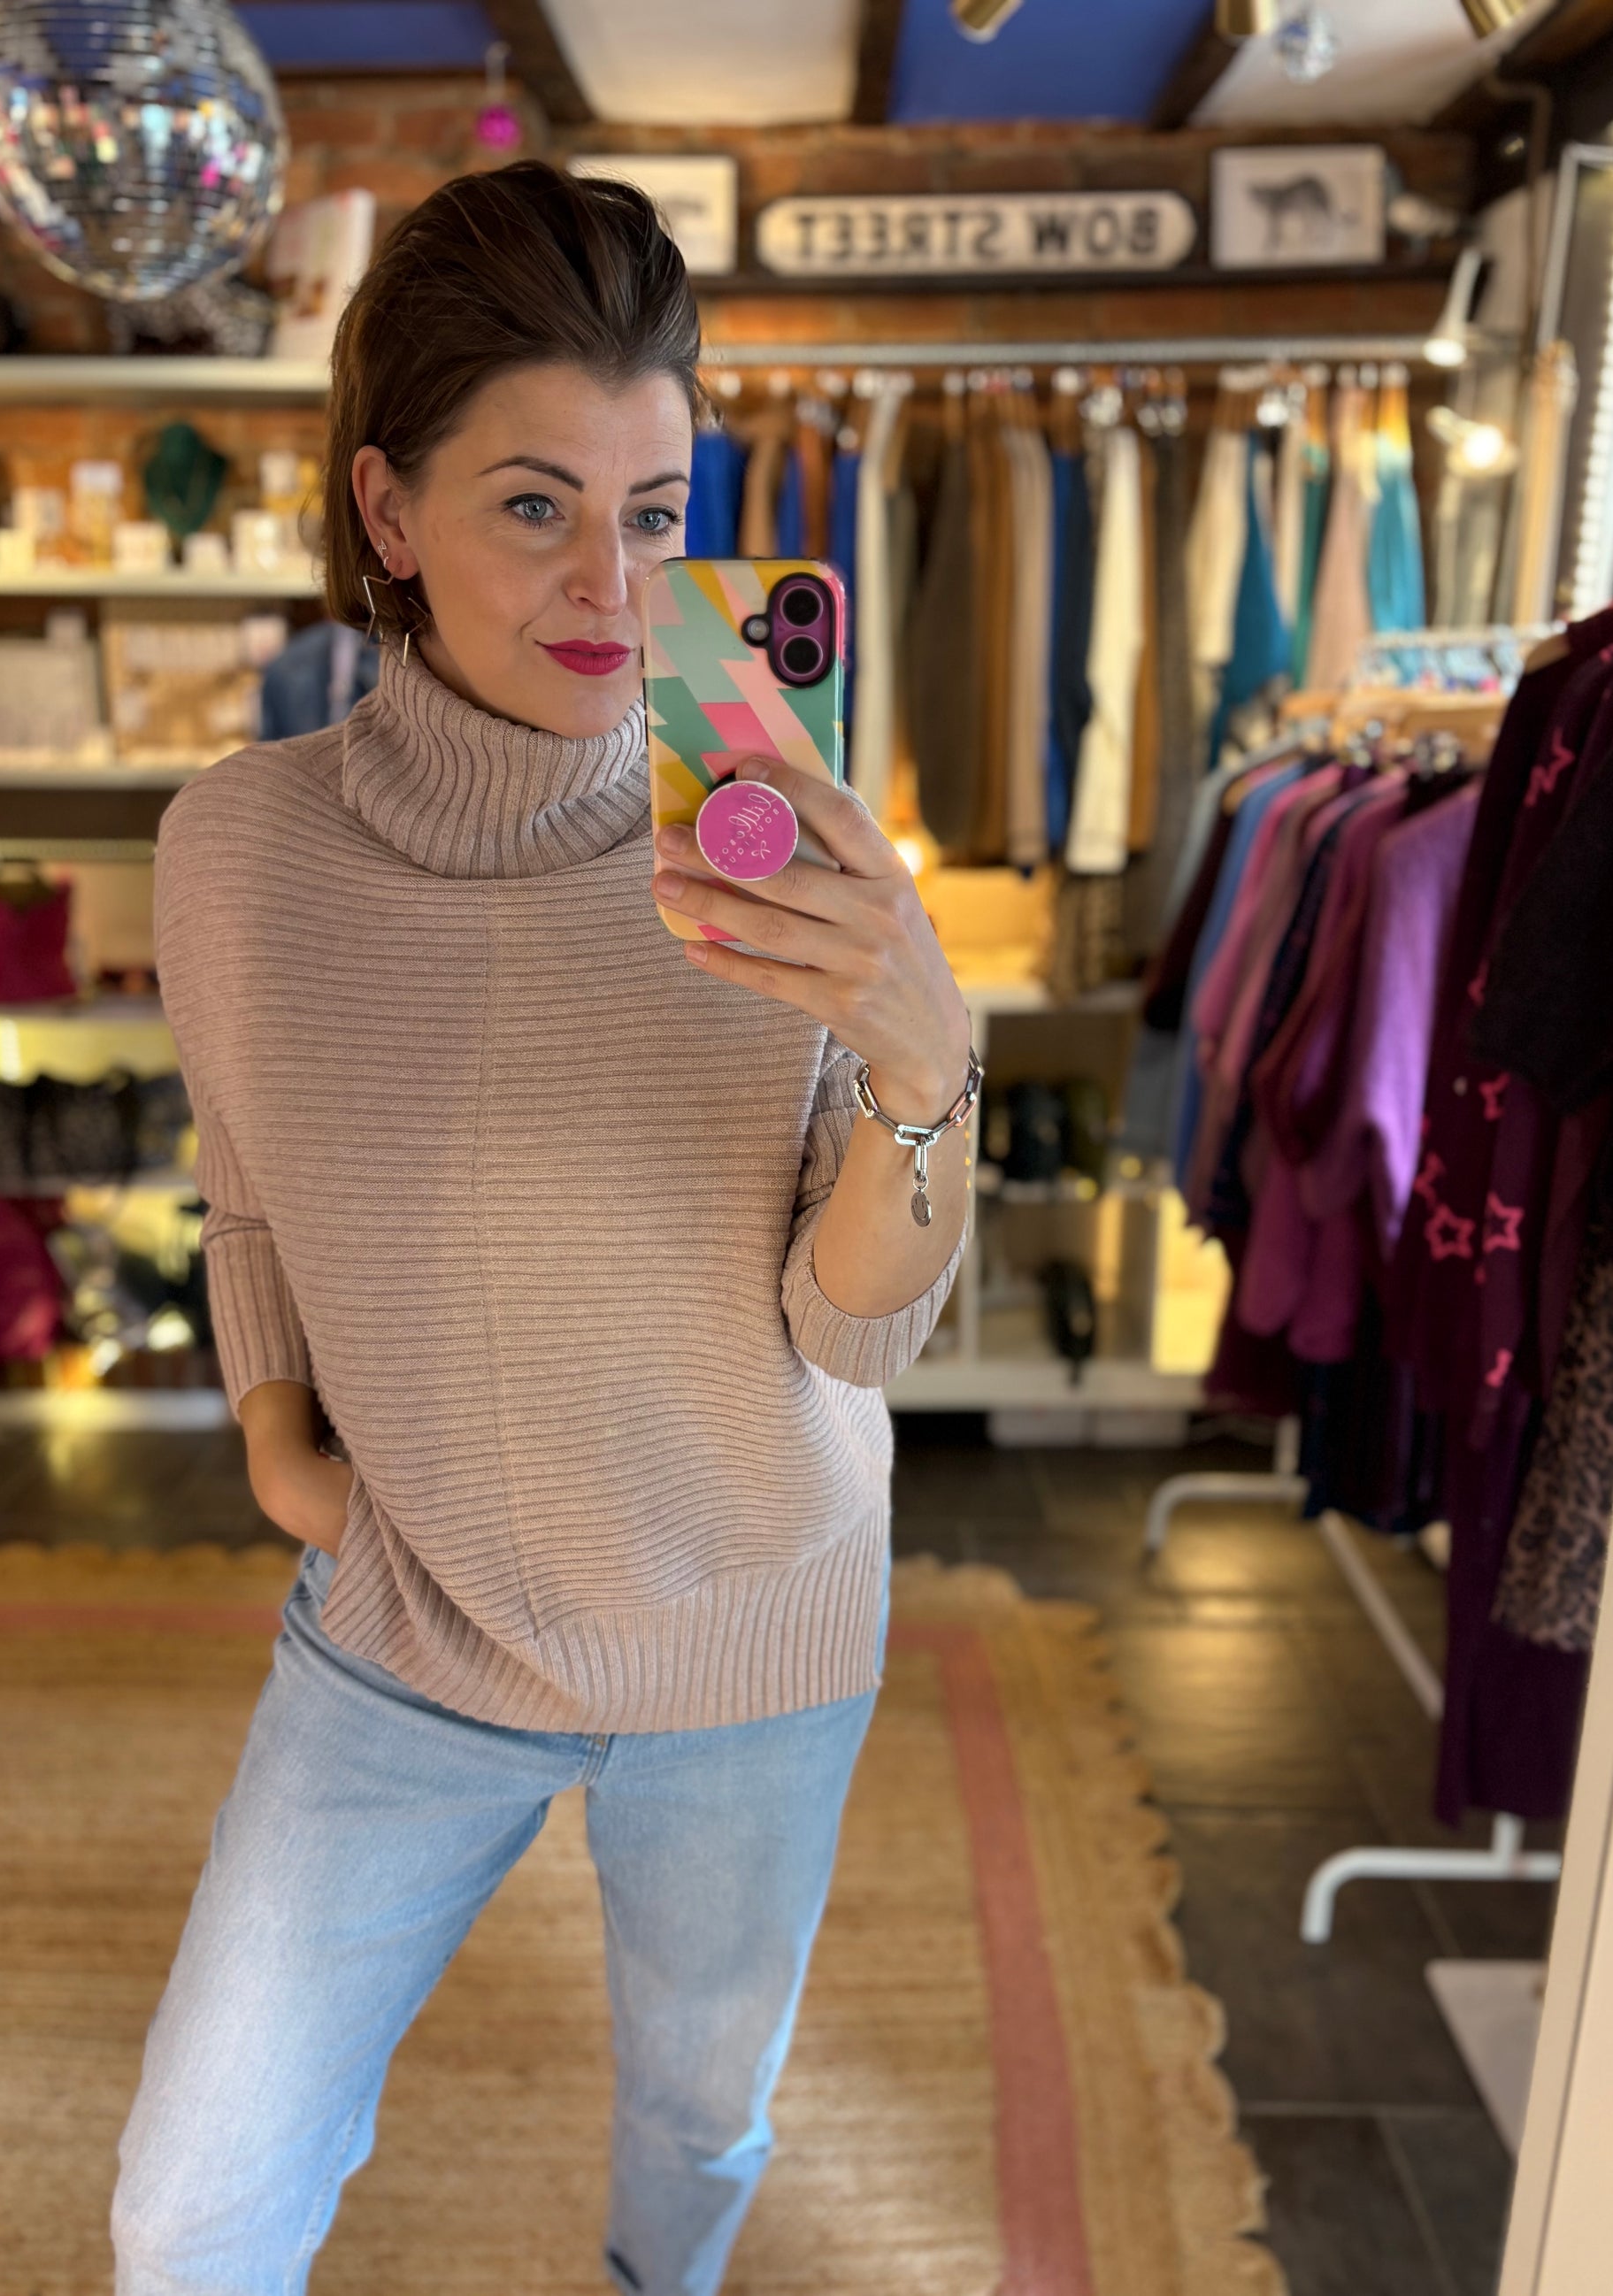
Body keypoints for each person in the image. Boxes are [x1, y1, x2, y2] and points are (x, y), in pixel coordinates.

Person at [111, 160, 974, 2296]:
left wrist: (918, 1051)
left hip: (750, 1631)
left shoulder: (778, 856)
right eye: (531, 504)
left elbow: (851, 1335)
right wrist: (271, 1418)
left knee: (698, 2122)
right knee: (187, 2206)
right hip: (404, 1629)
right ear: (386, 510)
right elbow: (248, 1168)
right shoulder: (235, 850)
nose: (613, 581)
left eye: (659, 512)